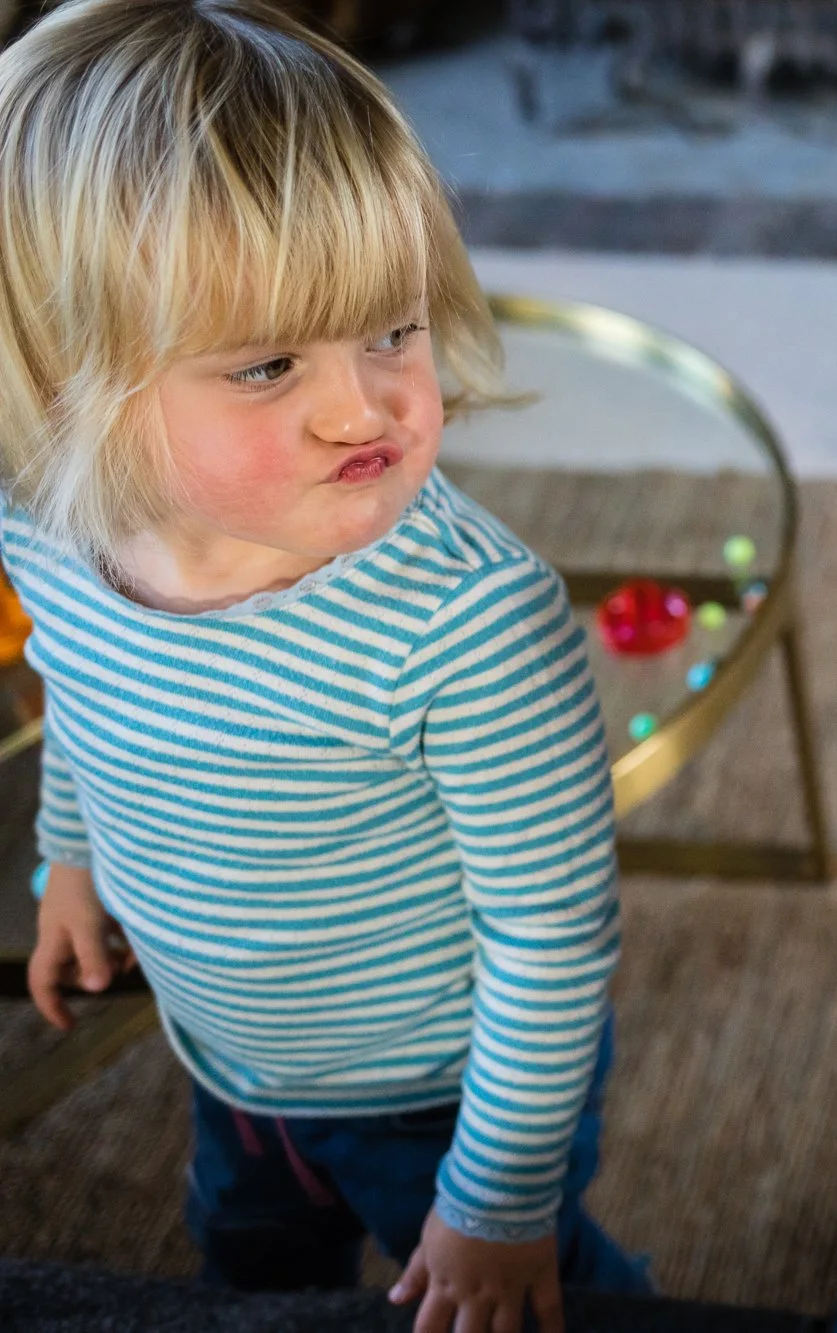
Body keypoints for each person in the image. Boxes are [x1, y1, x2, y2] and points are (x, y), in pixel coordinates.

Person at [0, 3, 649, 1326]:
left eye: (393, 331)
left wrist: (498, 1199)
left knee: (527, 1300)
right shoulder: (51, 531)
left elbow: (550, 934)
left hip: (441, 1096)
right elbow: (81, 698)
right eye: (269, 363)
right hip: (225, 1054)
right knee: (245, 1260)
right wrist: (65, 862)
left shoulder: (473, 627)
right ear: (70, 388)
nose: (365, 405)